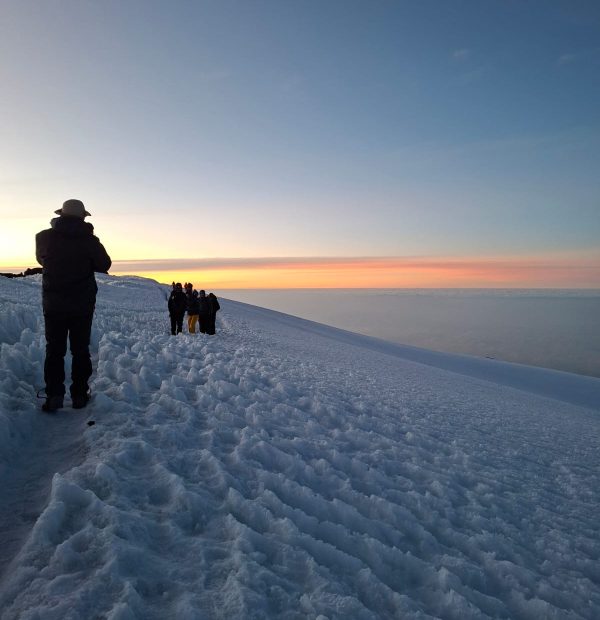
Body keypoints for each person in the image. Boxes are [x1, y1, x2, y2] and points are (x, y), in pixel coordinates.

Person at [35, 199, 111, 412]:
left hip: (53, 304)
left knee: (55, 351)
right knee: (80, 350)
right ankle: (78, 395)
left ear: (61, 215)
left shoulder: (43, 237)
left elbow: (42, 261)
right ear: (82, 217)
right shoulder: (89, 240)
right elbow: (105, 264)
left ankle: (54, 396)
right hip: (82, 305)